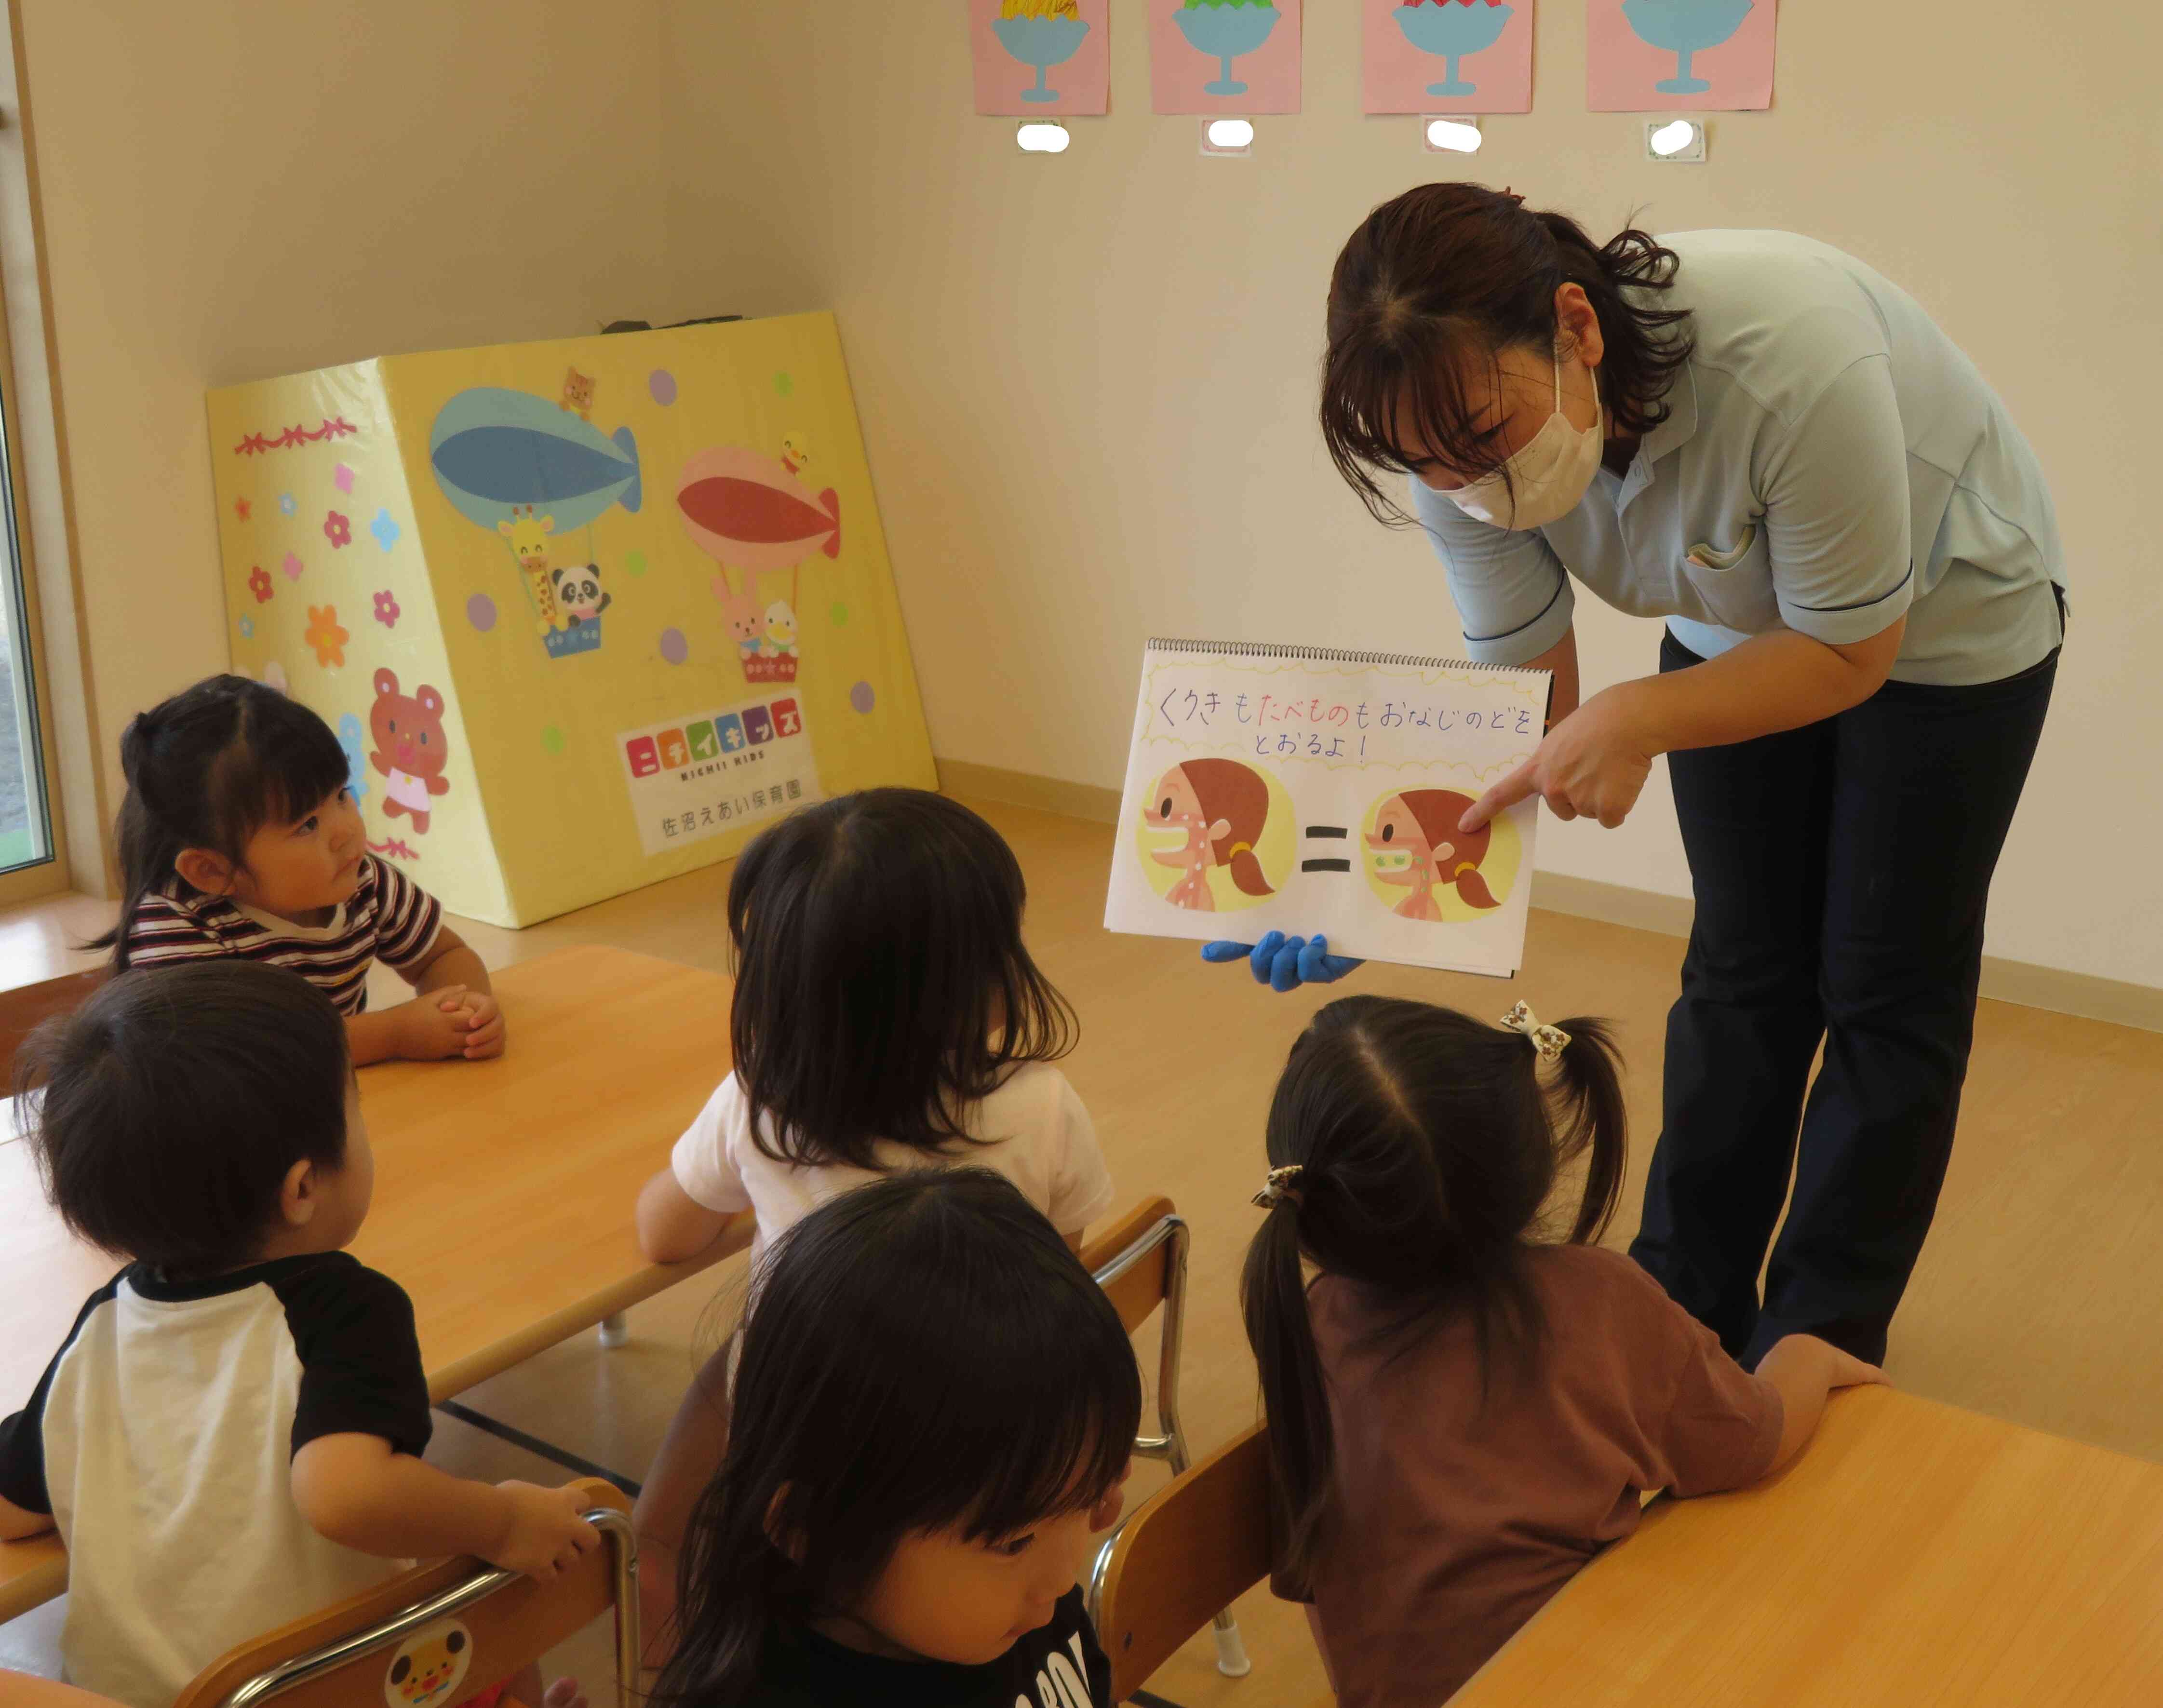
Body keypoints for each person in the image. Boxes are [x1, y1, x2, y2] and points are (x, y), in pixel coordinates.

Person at [1223, 184, 2063, 1369]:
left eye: (1482, 439)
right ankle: (1679, 1307)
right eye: (1428, 464)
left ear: (1575, 327)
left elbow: (1848, 652)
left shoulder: (1788, 359)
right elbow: (1532, 716)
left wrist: (1640, 714)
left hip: (1947, 627)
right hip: (1738, 629)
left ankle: (1822, 1341)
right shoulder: (1449, 456)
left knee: (1885, 989)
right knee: (1741, 967)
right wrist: (1366, 884)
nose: (1468, 485)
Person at [1243, 995, 1885, 1708]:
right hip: (1586, 1675)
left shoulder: (1306, 1325)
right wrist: (1808, 1354)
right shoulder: (1596, 1299)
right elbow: (1752, 1439)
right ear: (1526, 1153)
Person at [0, 961, 593, 1708]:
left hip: (123, 1695)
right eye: (357, 1107)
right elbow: (344, 1493)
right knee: (502, 1621)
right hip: (324, 1687)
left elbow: (17, 1505)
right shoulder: (344, 1307)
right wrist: (503, 1519)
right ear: (304, 1187)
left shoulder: (103, 1322)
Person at [631, 789, 1114, 1654]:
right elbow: (1056, 1276)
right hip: (987, 1432)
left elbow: (663, 1235)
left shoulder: (762, 1106)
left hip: (808, 1428)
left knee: (661, 1525)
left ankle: (674, 1654)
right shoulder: (1040, 1103)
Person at [650, 1168, 1138, 1708]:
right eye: (1012, 1544)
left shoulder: (1018, 1610)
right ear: (806, 1529)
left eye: (1085, 1500)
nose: (1062, 1581)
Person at [93, 674, 503, 1064]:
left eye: (342, 795)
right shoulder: (181, 926)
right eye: (307, 824)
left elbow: (442, 955)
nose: (345, 831)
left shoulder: (362, 881)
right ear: (212, 871)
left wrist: (467, 1010)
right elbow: (250, 1059)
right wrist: (394, 1033)